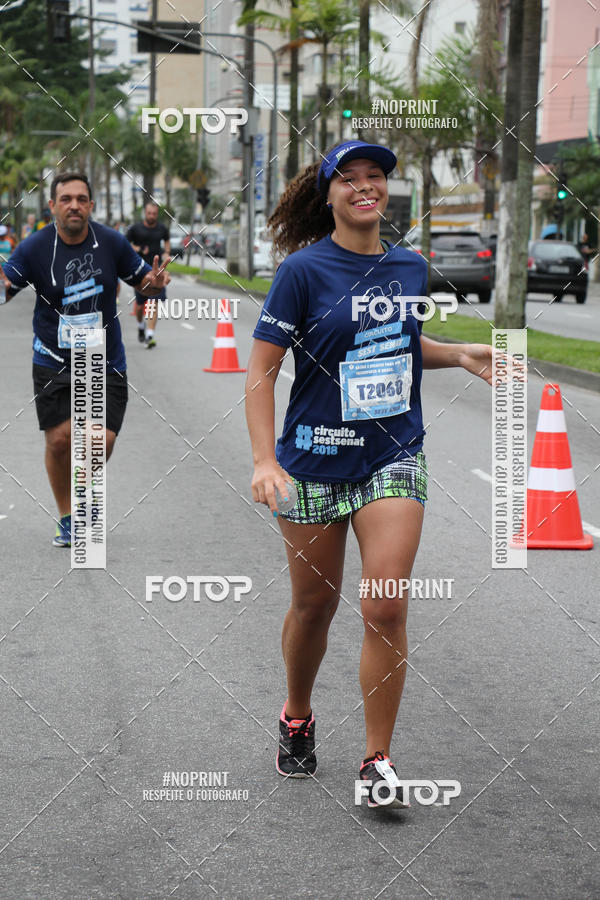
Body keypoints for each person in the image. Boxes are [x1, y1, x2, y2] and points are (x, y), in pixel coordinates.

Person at [245, 141, 493, 808]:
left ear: (387, 188)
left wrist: (458, 355)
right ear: (327, 195)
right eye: (348, 179)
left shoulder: (409, 267)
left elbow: (398, 344)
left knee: (384, 602)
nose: (364, 187)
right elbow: (262, 372)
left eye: (374, 176)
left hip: (391, 455)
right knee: (314, 605)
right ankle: (297, 712)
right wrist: (265, 461)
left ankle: (377, 761)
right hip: (313, 463)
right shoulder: (301, 271)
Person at [1, 172, 170, 547]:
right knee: (60, 441)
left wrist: (154, 284)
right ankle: (69, 517)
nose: (74, 205)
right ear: (53, 206)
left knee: (99, 442)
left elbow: (141, 280)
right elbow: (5, 291)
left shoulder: (110, 242)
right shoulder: (33, 248)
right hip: (52, 356)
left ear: (90, 206)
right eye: (66, 199)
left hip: (103, 358)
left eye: (81, 199)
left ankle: (82, 494)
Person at [126, 202, 170, 348]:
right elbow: (125, 244)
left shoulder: (162, 228)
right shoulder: (135, 228)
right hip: (140, 272)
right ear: (145, 213)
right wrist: (138, 248)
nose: (152, 216)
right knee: (139, 306)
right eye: (149, 213)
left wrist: (166, 253)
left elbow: (167, 242)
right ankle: (140, 326)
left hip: (156, 272)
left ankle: (150, 334)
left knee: (153, 302)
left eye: (154, 214)